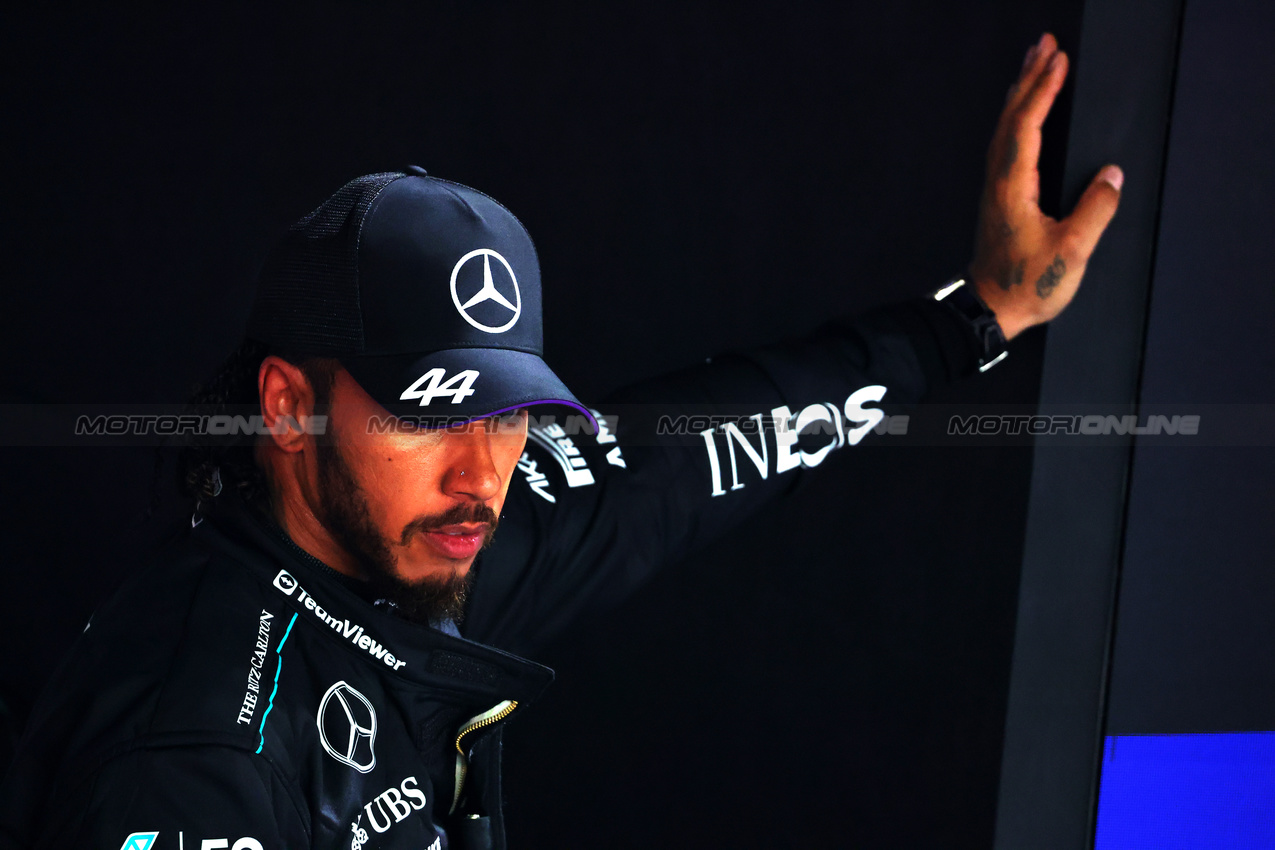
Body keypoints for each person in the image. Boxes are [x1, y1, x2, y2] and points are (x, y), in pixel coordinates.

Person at [0, 33, 1120, 850]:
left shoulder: (421, 527)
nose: (482, 468)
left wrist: (976, 316)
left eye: (508, 412)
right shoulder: (192, 762)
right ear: (289, 405)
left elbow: (710, 442)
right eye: (429, 409)